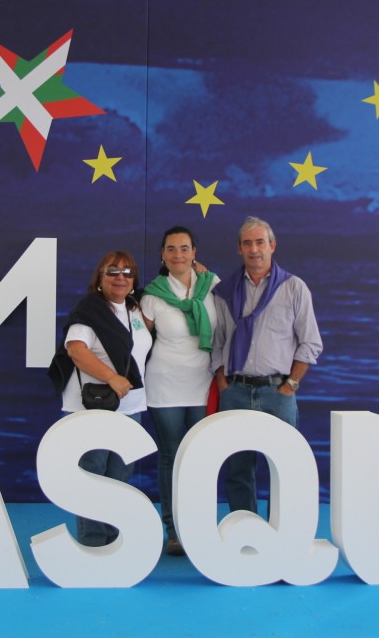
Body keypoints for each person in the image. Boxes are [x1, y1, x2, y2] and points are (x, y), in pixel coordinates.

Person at [211, 216, 324, 516]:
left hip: (277, 392)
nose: (254, 249)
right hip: (235, 391)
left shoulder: (294, 287)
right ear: (239, 248)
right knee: (238, 468)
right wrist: (223, 381)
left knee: (284, 465)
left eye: (260, 242)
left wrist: (291, 385)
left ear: (272, 246)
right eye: (247, 243)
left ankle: (282, 529)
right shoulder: (226, 290)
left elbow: (310, 342)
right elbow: (218, 340)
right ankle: (243, 526)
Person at [58, 250, 153, 546]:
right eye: (112, 272)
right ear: (99, 278)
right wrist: (111, 377)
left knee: (118, 478)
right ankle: (94, 542)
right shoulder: (89, 311)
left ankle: (112, 541)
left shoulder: (134, 310)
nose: (120, 277)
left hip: (130, 407)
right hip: (93, 408)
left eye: (127, 272)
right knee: (93, 475)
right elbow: (76, 350)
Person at [140, 226, 220, 556]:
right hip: (165, 385)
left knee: (200, 457)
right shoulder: (152, 295)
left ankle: (200, 527)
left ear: (194, 253)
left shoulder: (212, 285)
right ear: (162, 254)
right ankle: (173, 530)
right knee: (171, 456)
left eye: (184, 248)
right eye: (171, 249)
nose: (178, 255)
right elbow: (139, 343)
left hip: (204, 384)